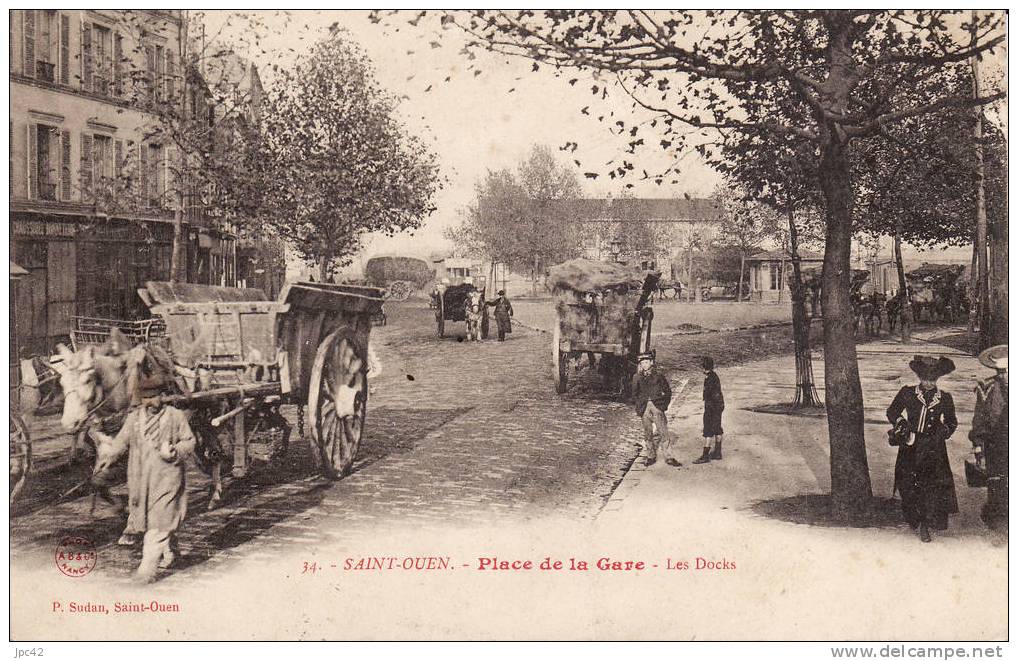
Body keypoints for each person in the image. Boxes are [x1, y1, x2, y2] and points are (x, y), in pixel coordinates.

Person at [93, 372, 197, 581]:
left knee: (160, 519)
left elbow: (190, 441)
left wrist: (176, 450)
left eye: (155, 397)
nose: (151, 402)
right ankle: (171, 553)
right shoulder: (134, 419)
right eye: (146, 398)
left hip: (167, 477)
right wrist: (108, 458)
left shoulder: (175, 417)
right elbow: (121, 442)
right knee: (153, 519)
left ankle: (146, 570)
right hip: (140, 479)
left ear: (163, 396)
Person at [886, 355, 959, 543]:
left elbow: (951, 422)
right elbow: (892, 411)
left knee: (930, 486)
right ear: (919, 377)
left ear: (938, 379)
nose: (928, 383)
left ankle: (925, 523)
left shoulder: (945, 398)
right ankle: (914, 518)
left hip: (934, 449)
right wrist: (901, 423)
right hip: (911, 445)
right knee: (907, 483)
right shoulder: (907, 393)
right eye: (925, 378)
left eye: (932, 379)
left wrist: (944, 431)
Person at [969, 344, 1008, 533]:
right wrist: (978, 447)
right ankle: (999, 521)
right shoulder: (988, 388)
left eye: (1007, 371)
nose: (1004, 376)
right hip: (996, 445)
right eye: (1000, 372)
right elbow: (979, 420)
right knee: (997, 483)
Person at [631, 352, 677, 467]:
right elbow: (634, 394)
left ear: (651, 362)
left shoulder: (658, 376)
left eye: (647, 362)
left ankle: (669, 457)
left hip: (657, 407)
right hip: (644, 408)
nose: (645, 365)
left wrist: (663, 406)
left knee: (663, 432)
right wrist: (639, 407)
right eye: (642, 363)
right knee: (648, 433)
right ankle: (650, 456)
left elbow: (667, 391)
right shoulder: (636, 377)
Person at [693, 356, 725, 464]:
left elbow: (709, 395)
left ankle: (705, 455)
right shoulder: (714, 376)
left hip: (712, 406)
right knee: (717, 427)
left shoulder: (709, 378)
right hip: (718, 406)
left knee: (708, 430)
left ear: (703, 367)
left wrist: (709, 409)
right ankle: (718, 452)